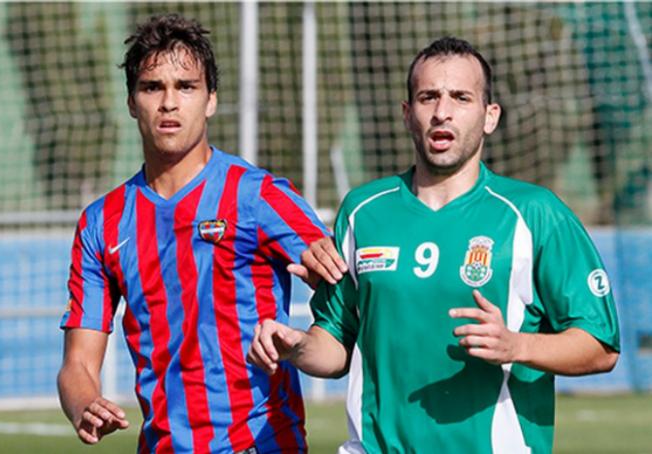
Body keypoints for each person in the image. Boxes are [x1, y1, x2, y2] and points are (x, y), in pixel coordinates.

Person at [248, 37, 620, 453]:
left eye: (461, 97)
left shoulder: (535, 214)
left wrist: (518, 345)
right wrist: (297, 346)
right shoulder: (362, 212)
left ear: (490, 115)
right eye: (429, 97)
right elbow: (335, 344)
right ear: (408, 114)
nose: (442, 112)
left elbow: (601, 346)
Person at [57, 13, 340, 453]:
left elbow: (344, 288)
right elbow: (77, 362)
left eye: (185, 87)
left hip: (261, 444)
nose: (169, 103)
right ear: (132, 102)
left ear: (210, 100)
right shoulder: (102, 222)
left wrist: (313, 328)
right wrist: (84, 403)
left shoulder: (258, 196)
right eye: (153, 88)